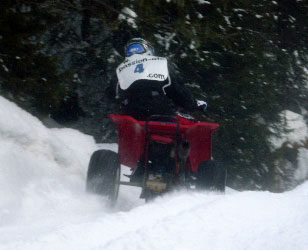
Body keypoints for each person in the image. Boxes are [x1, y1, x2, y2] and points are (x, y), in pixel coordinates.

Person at [106, 37, 207, 121]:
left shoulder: (121, 68)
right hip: (159, 109)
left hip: (130, 113)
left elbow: (111, 94)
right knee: (186, 128)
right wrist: (192, 104)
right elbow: (178, 90)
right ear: (148, 49)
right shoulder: (160, 62)